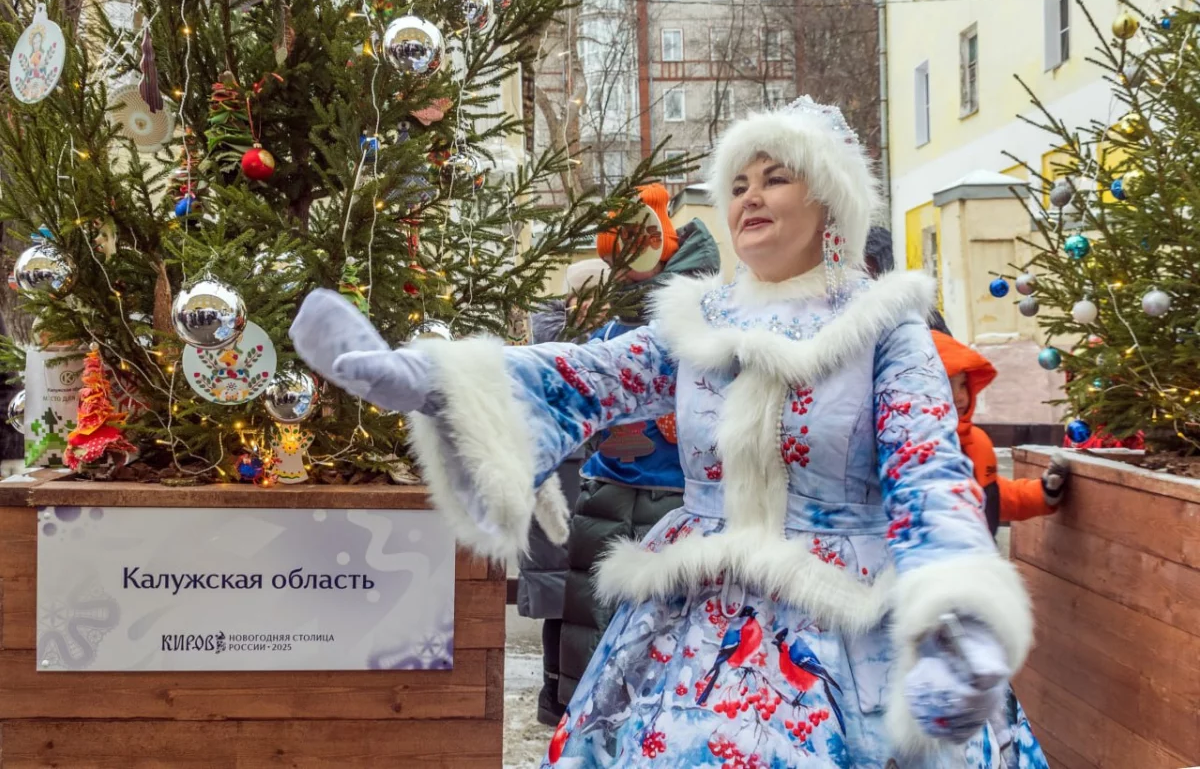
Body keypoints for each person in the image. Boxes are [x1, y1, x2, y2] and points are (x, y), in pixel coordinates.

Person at [290, 97, 1047, 767]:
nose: (750, 197)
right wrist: (427, 377)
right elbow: (584, 374)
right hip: (693, 620)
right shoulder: (701, 321)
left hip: (846, 625)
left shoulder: (885, 328)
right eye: (738, 184)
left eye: (776, 178)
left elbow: (928, 474)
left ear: (830, 199)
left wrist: (957, 620)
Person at [558, 185, 721, 710]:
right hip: (606, 493)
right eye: (614, 261)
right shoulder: (609, 325)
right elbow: (583, 399)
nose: (622, 272)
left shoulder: (704, 319)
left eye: (629, 256)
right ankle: (581, 721)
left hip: (675, 500)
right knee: (592, 628)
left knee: (663, 645)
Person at [519, 259, 610, 726]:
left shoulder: (602, 341)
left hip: (579, 476)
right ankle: (555, 694)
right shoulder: (560, 347)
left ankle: (563, 693)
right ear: (576, 300)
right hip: (561, 480)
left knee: (578, 597)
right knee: (562, 596)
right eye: (597, 297)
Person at [932, 330, 1067, 536]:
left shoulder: (976, 441)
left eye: (963, 384)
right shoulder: (902, 451)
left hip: (981, 554)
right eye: (947, 386)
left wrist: (1043, 492)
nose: (960, 397)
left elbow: (993, 497)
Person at [864, 225, 952, 335]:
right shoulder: (851, 307)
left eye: (867, 266)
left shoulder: (913, 303)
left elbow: (942, 341)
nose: (864, 273)